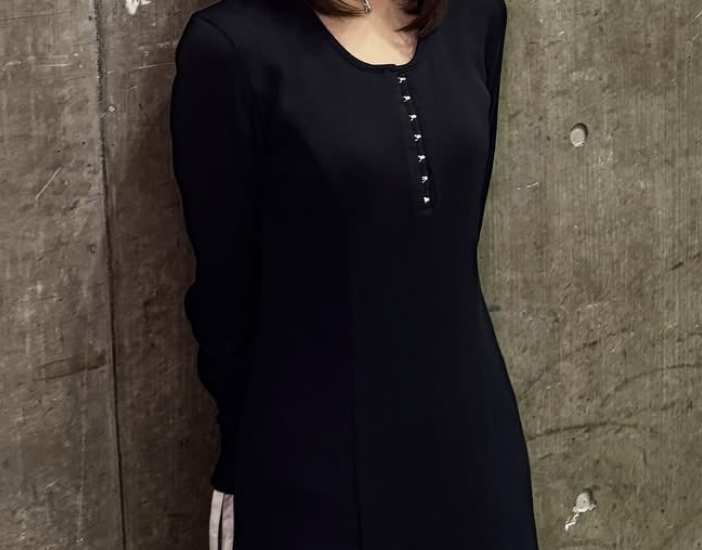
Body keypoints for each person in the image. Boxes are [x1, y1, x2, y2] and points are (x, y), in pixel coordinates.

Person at [169, 0, 540, 548]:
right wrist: (240, 455)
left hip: (474, 441)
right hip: (315, 460)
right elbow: (225, 295)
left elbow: (451, 242)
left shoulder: (476, 15)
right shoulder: (230, 47)